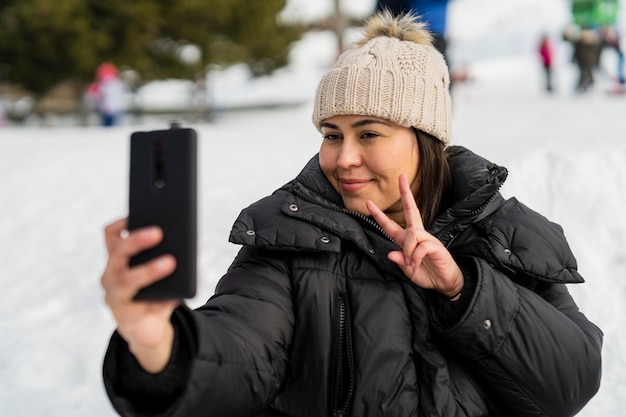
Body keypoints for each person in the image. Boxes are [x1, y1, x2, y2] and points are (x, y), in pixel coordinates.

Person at [100, 12, 603, 417]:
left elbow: (570, 385)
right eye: (331, 135)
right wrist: (161, 346)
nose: (344, 159)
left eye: (369, 134)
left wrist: (463, 291)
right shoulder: (287, 236)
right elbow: (243, 349)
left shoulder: (507, 235)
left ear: (424, 140)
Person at [89, 62, 126, 126]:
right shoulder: (117, 83)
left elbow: (98, 97)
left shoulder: (102, 85)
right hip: (116, 108)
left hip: (106, 109)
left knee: (107, 128)